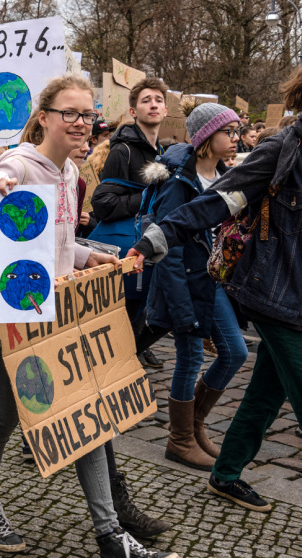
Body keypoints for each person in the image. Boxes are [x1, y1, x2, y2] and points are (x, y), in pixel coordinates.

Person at [129, 59, 302, 555]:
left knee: (266, 392)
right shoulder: (281, 150)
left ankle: (226, 474)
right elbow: (218, 202)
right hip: (273, 297)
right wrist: (158, 238)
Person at [0, 75, 176, 558]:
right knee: (3, 416)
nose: (82, 123)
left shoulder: (69, 173)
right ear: (44, 117)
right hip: (13, 318)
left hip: (61, 314)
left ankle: (109, 534)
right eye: (71, 113)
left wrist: (90, 258)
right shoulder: (18, 164)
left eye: (88, 115)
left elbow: (57, 243)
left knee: (88, 416)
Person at [140, 100, 248, 471]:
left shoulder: (224, 177)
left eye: (237, 131)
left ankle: (195, 425)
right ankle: (179, 439)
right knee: (191, 358)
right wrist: (182, 309)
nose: (236, 139)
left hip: (212, 281)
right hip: (184, 284)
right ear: (205, 137)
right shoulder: (178, 182)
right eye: (228, 132)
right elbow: (166, 246)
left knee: (235, 352)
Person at [92, 77, 169, 370]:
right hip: (124, 251)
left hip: (146, 252)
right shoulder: (122, 150)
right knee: (121, 322)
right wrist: (149, 196)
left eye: (158, 100)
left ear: (165, 109)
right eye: (146, 100)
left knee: (142, 317)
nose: (153, 104)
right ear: (133, 111)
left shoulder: (161, 150)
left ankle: (127, 362)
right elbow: (104, 205)